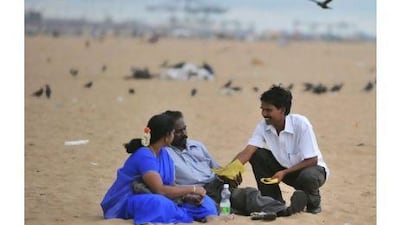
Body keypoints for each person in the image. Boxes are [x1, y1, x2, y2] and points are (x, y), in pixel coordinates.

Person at [163, 110, 308, 221]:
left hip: (216, 185)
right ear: (168, 134)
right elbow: (165, 185)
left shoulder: (197, 146)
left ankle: (284, 210)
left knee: (249, 195)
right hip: (195, 191)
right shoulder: (165, 154)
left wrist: (229, 176)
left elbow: (217, 169)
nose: (185, 134)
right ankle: (256, 212)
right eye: (179, 132)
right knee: (218, 206)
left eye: (185, 129)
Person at [100, 113, 220, 225]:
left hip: (158, 196)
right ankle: (180, 216)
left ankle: (211, 218)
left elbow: (171, 186)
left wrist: (187, 196)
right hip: (128, 200)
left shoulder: (164, 154)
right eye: (173, 133)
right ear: (167, 136)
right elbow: (160, 190)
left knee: (204, 201)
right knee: (159, 204)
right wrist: (193, 188)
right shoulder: (144, 155)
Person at [233, 85, 330, 214]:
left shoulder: (301, 124)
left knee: (308, 177)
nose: (264, 114)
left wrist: (284, 172)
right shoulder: (263, 126)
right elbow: (248, 151)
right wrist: (231, 170)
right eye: (262, 109)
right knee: (257, 154)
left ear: (282, 110)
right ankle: (272, 203)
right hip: (284, 170)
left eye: (269, 110)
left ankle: (313, 204)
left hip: (312, 171)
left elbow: (312, 160)